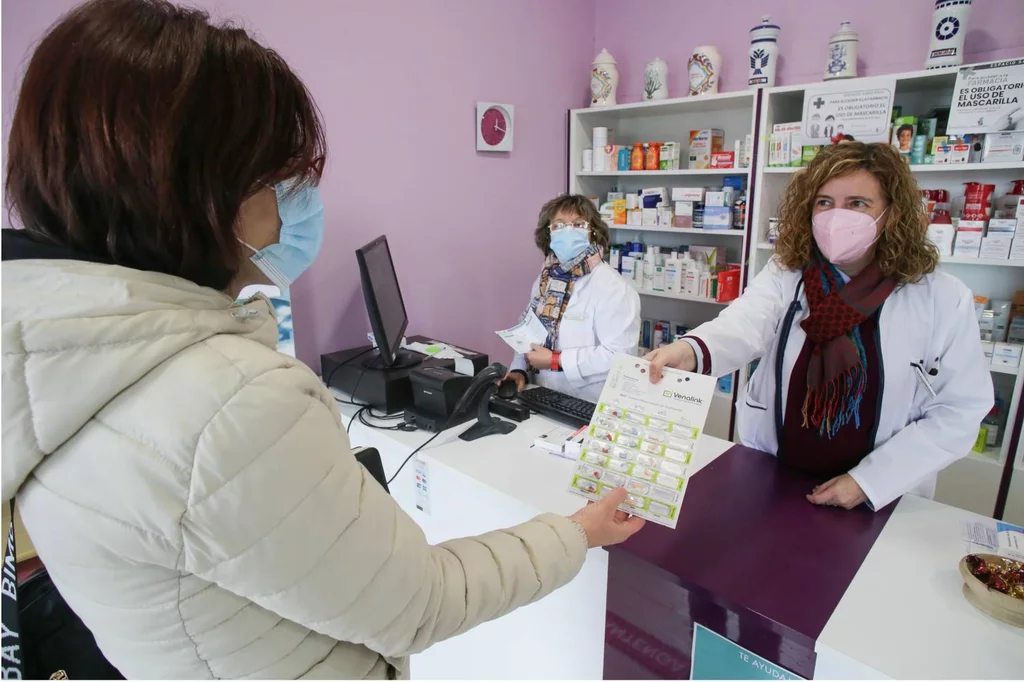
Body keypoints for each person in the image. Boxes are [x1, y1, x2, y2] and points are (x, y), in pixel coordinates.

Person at [0, 1, 644, 678]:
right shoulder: (233, 399)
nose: (299, 199)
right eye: (281, 177)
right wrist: (576, 532)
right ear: (199, 187)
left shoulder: (45, 363)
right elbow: (419, 600)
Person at [645, 142, 992, 512]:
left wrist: (869, 481)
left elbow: (960, 409)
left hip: (878, 493)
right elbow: (747, 320)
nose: (836, 216)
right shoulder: (789, 272)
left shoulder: (940, 296)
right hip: (776, 471)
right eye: (824, 202)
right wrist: (692, 350)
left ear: (891, 213)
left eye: (858, 203)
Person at [503, 194, 642, 401]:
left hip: (589, 402)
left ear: (593, 233)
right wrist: (519, 369)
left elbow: (620, 358)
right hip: (541, 394)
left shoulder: (613, 288)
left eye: (578, 225)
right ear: (548, 235)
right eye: (559, 225)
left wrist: (555, 360)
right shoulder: (547, 279)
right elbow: (527, 330)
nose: (568, 231)